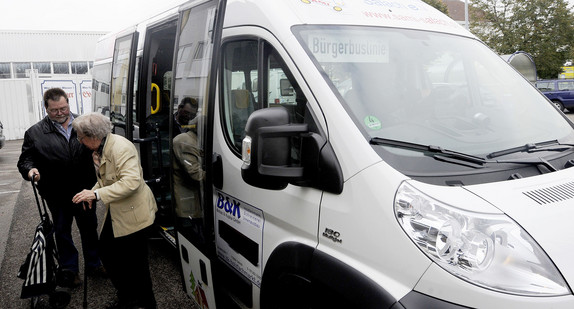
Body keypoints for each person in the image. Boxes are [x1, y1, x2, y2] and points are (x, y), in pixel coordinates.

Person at [17, 87, 103, 288]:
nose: (61, 113)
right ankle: (69, 270)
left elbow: (102, 145)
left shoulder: (85, 125)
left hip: (85, 191)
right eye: (54, 110)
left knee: (90, 228)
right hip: (56, 193)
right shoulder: (34, 133)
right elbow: (25, 160)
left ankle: (94, 264)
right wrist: (30, 171)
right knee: (62, 231)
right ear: (46, 108)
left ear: (68, 104)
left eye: (63, 108)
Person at [71, 112, 158, 309]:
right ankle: (128, 297)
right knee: (109, 252)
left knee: (137, 264)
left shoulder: (120, 148)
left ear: (93, 136)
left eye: (80, 137)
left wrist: (97, 195)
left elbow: (131, 182)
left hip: (135, 212)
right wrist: (92, 191)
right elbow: (107, 178)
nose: (79, 141)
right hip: (120, 210)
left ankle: (144, 303)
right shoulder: (101, 148)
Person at [172, 98, 205, 244]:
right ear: (179, 108)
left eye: (192, 114)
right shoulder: (184, 140)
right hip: (187, 199)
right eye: (185, 112)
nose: (188, 116)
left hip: (194, 197)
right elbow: (195, 173)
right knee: (191, 236)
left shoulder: (195, 139)